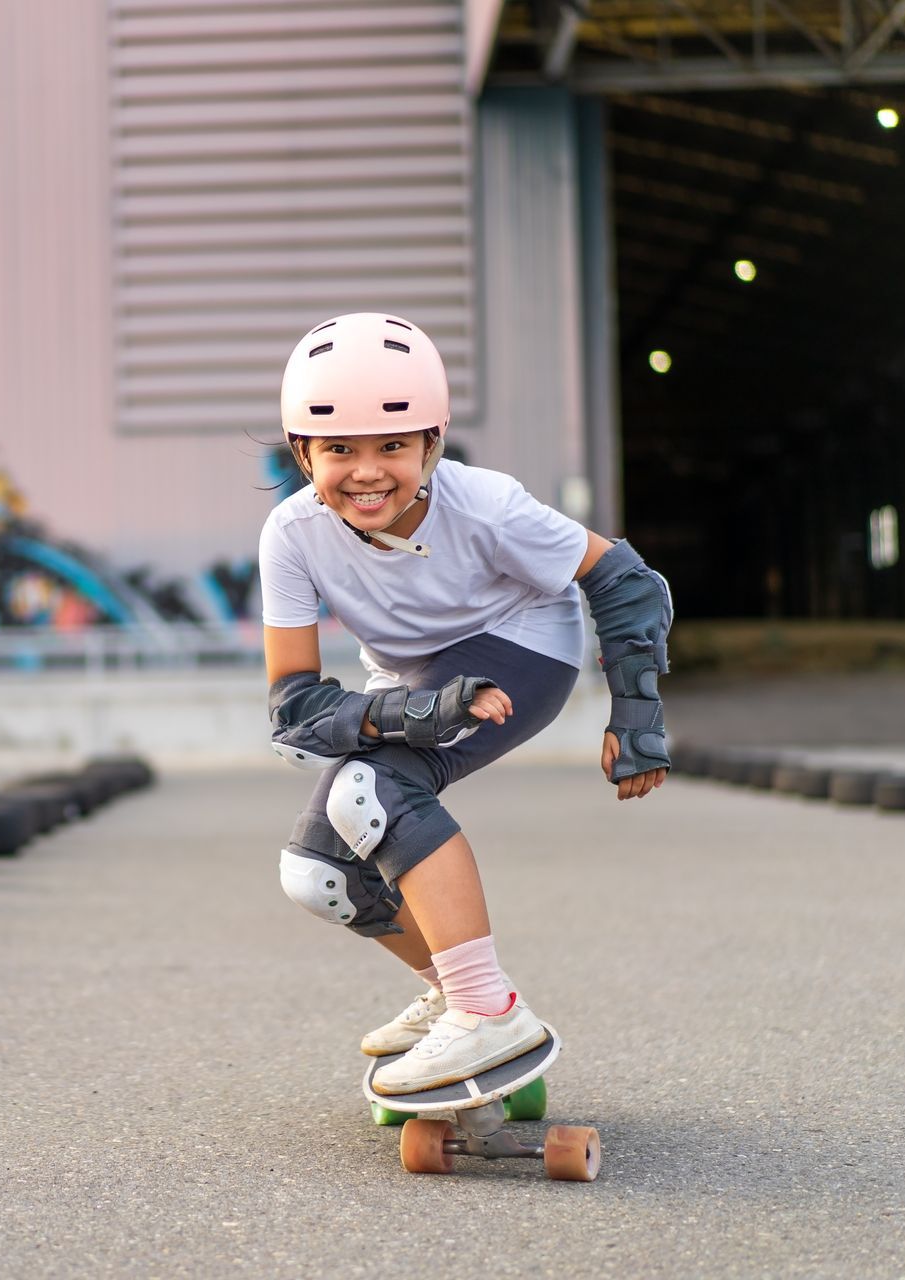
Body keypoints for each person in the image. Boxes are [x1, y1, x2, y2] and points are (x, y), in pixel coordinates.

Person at [260, 312, 672, 1095]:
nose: (367, 472)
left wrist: (636, 716)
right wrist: (419, 712)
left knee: (373, 788)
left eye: (392, 446)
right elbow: (294, 707)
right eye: (338, 448)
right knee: (316, 874)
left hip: (522, 646)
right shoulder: (291, 534)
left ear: (431, 445)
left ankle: (487, 1013)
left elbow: (625, 580)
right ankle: (458, 994)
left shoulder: (487, 506)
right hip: (415, 682)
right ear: (302, 453)